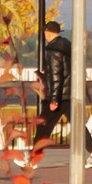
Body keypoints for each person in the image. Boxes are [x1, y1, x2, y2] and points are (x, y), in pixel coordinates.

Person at [35, 13, 71, 143]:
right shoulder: (67, 45)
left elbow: (56, 76)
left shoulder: (53, 49)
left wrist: (54, 100)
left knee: (43, 126)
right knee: (79, 128)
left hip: (59, 96)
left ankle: (33, 158)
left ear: (48, 32)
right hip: (69, 93)